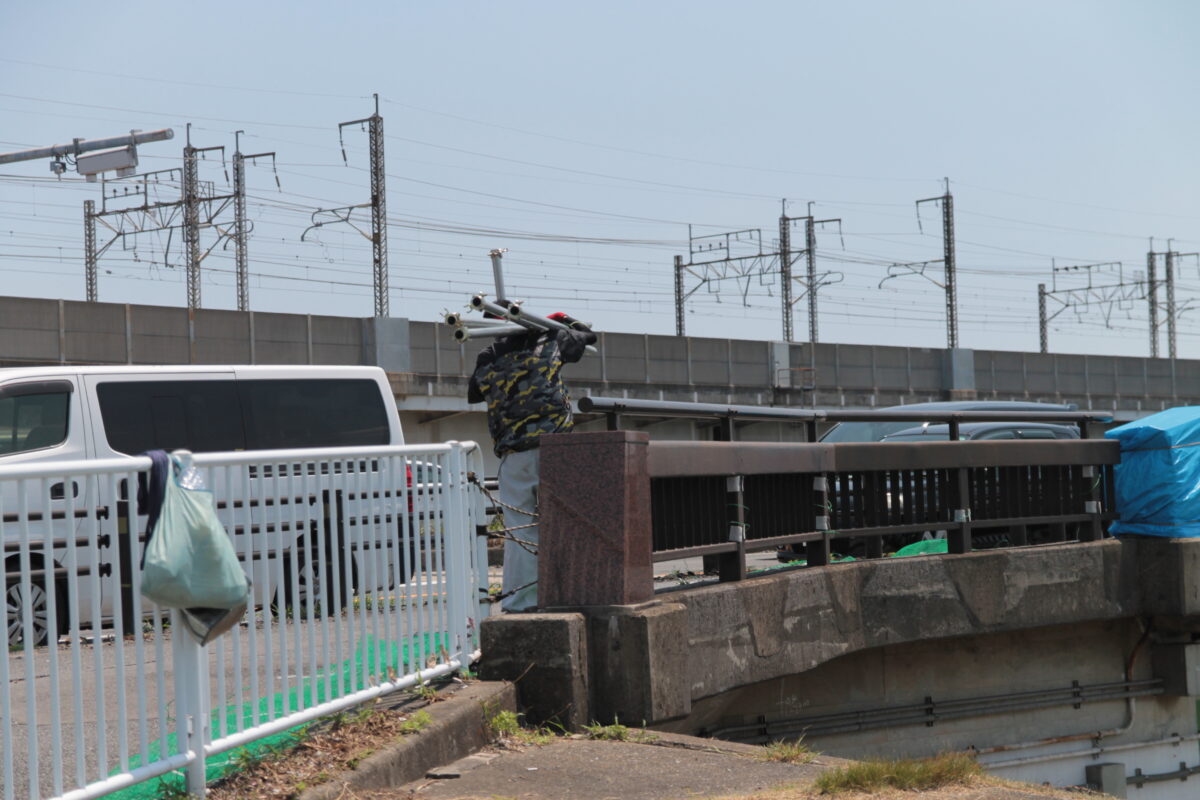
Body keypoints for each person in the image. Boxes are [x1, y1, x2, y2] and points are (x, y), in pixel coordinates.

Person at [467, 312, 596, 612]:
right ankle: (571, 593)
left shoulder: (488, 355)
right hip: (558, 449)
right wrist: (558, 320)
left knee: (520, 528)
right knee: (567, 523)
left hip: (515, 452)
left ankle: (522, 601)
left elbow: (474, 392)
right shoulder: (550, 340)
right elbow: (587, 335)